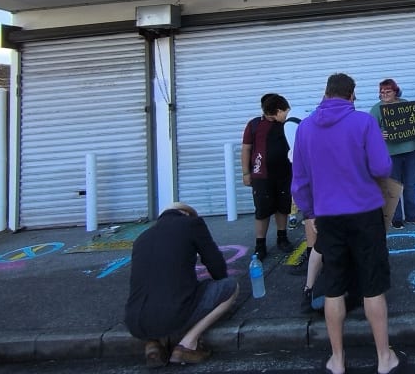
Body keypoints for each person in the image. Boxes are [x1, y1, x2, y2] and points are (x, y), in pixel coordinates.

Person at [291, 73, 403, 374]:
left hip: (327, 216)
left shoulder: (305, 128)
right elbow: (381, 167)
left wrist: (309, 213)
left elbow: (299, 180)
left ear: (326, 93)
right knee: (372, 285)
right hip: (365, 213)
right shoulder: (363, 122)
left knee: (334, 286)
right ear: (351, 95)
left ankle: (338, 360)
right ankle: (384, 358)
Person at [124, 202, 239, 367]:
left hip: (134, 321)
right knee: (230, 287)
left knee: (158, 291)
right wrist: (219, 284)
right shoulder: (192, 224)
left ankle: (153, 344)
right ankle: (187, 345)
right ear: (186, 214)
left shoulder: (142, 237)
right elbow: (215, 264)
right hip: (172, 315)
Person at [240, 93, 294, 261]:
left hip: (285, 173)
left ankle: (282, 237)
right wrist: (246, 172)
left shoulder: (287, 123)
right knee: (262, 210)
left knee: (283, 207)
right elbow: (246, 149)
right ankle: (260, 244)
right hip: (261, 175)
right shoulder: (254, 125)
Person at [370, 78, 415, 229]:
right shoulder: (376, 109)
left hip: (410, 151)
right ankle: (396, 218)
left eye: (388, 91)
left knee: (410, 184)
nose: (384, 94)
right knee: (393, 186)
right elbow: (370, 130)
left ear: (395, 91)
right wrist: (379, 134)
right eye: (382, 92)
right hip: (390, 153)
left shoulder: (405, 104)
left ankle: (413, 216)